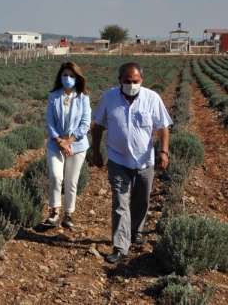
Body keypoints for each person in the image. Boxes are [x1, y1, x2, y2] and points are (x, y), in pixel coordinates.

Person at [91, 62, 172, 263]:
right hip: (118, 160)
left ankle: (136, 230)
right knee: (120, 203)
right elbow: (98, 126)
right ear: (119, 80)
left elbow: (162, 128)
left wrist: (163, 151)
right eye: (127, 81)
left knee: (142, 200)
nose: (131, 84)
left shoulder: (152, 98)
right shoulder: (109, 98)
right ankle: (120, 245)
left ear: (141, 80)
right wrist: (95, 151)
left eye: (135, 81)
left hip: (145, 161)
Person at [44, 62, 91, 229]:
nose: (68, 78)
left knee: (72, 181)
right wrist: (60, 141)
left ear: (77, 78)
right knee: (56, 177)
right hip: (55, 144)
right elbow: (49, 122)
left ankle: (68, 214)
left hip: (77, 145)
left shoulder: (83, 97)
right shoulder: (53, 96)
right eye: (65, 75)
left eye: (71, 76)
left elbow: (85, 123)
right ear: (60, 77)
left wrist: (69, 141)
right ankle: (54, 211)